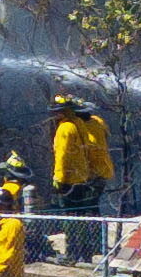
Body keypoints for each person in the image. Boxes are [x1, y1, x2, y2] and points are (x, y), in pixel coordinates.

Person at [49, 93, 114, 222]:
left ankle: (87, 238)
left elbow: (64, 155)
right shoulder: (97, 121)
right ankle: (93, 237)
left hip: (91, 175)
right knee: (91, 209)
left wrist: (59, 178)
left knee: (85, 211)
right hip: (102, 172)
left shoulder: (72, 127)